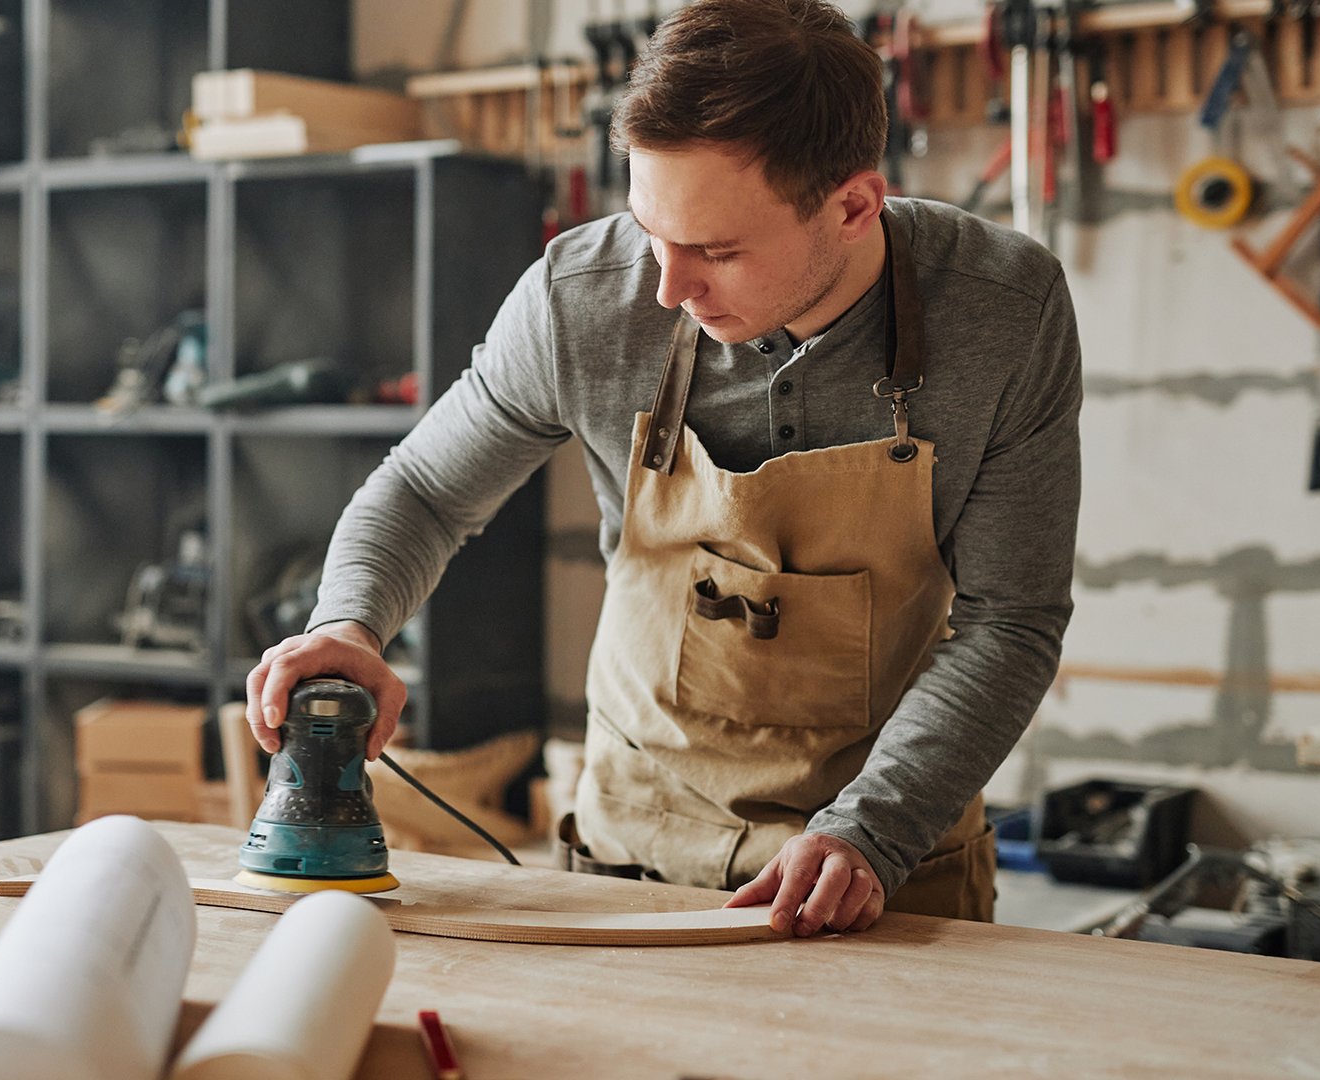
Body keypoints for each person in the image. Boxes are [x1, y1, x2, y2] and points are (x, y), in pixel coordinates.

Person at [245, 0, 1081, 936]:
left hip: (878, 868)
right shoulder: (581, 297)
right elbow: (427, 490)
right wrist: (351, 622)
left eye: (715, 251)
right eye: (650, 229)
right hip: (627, 852)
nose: (667, 288)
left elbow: (1012, 620)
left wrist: (871, 832)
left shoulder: (1005, 314)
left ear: (852, 207)